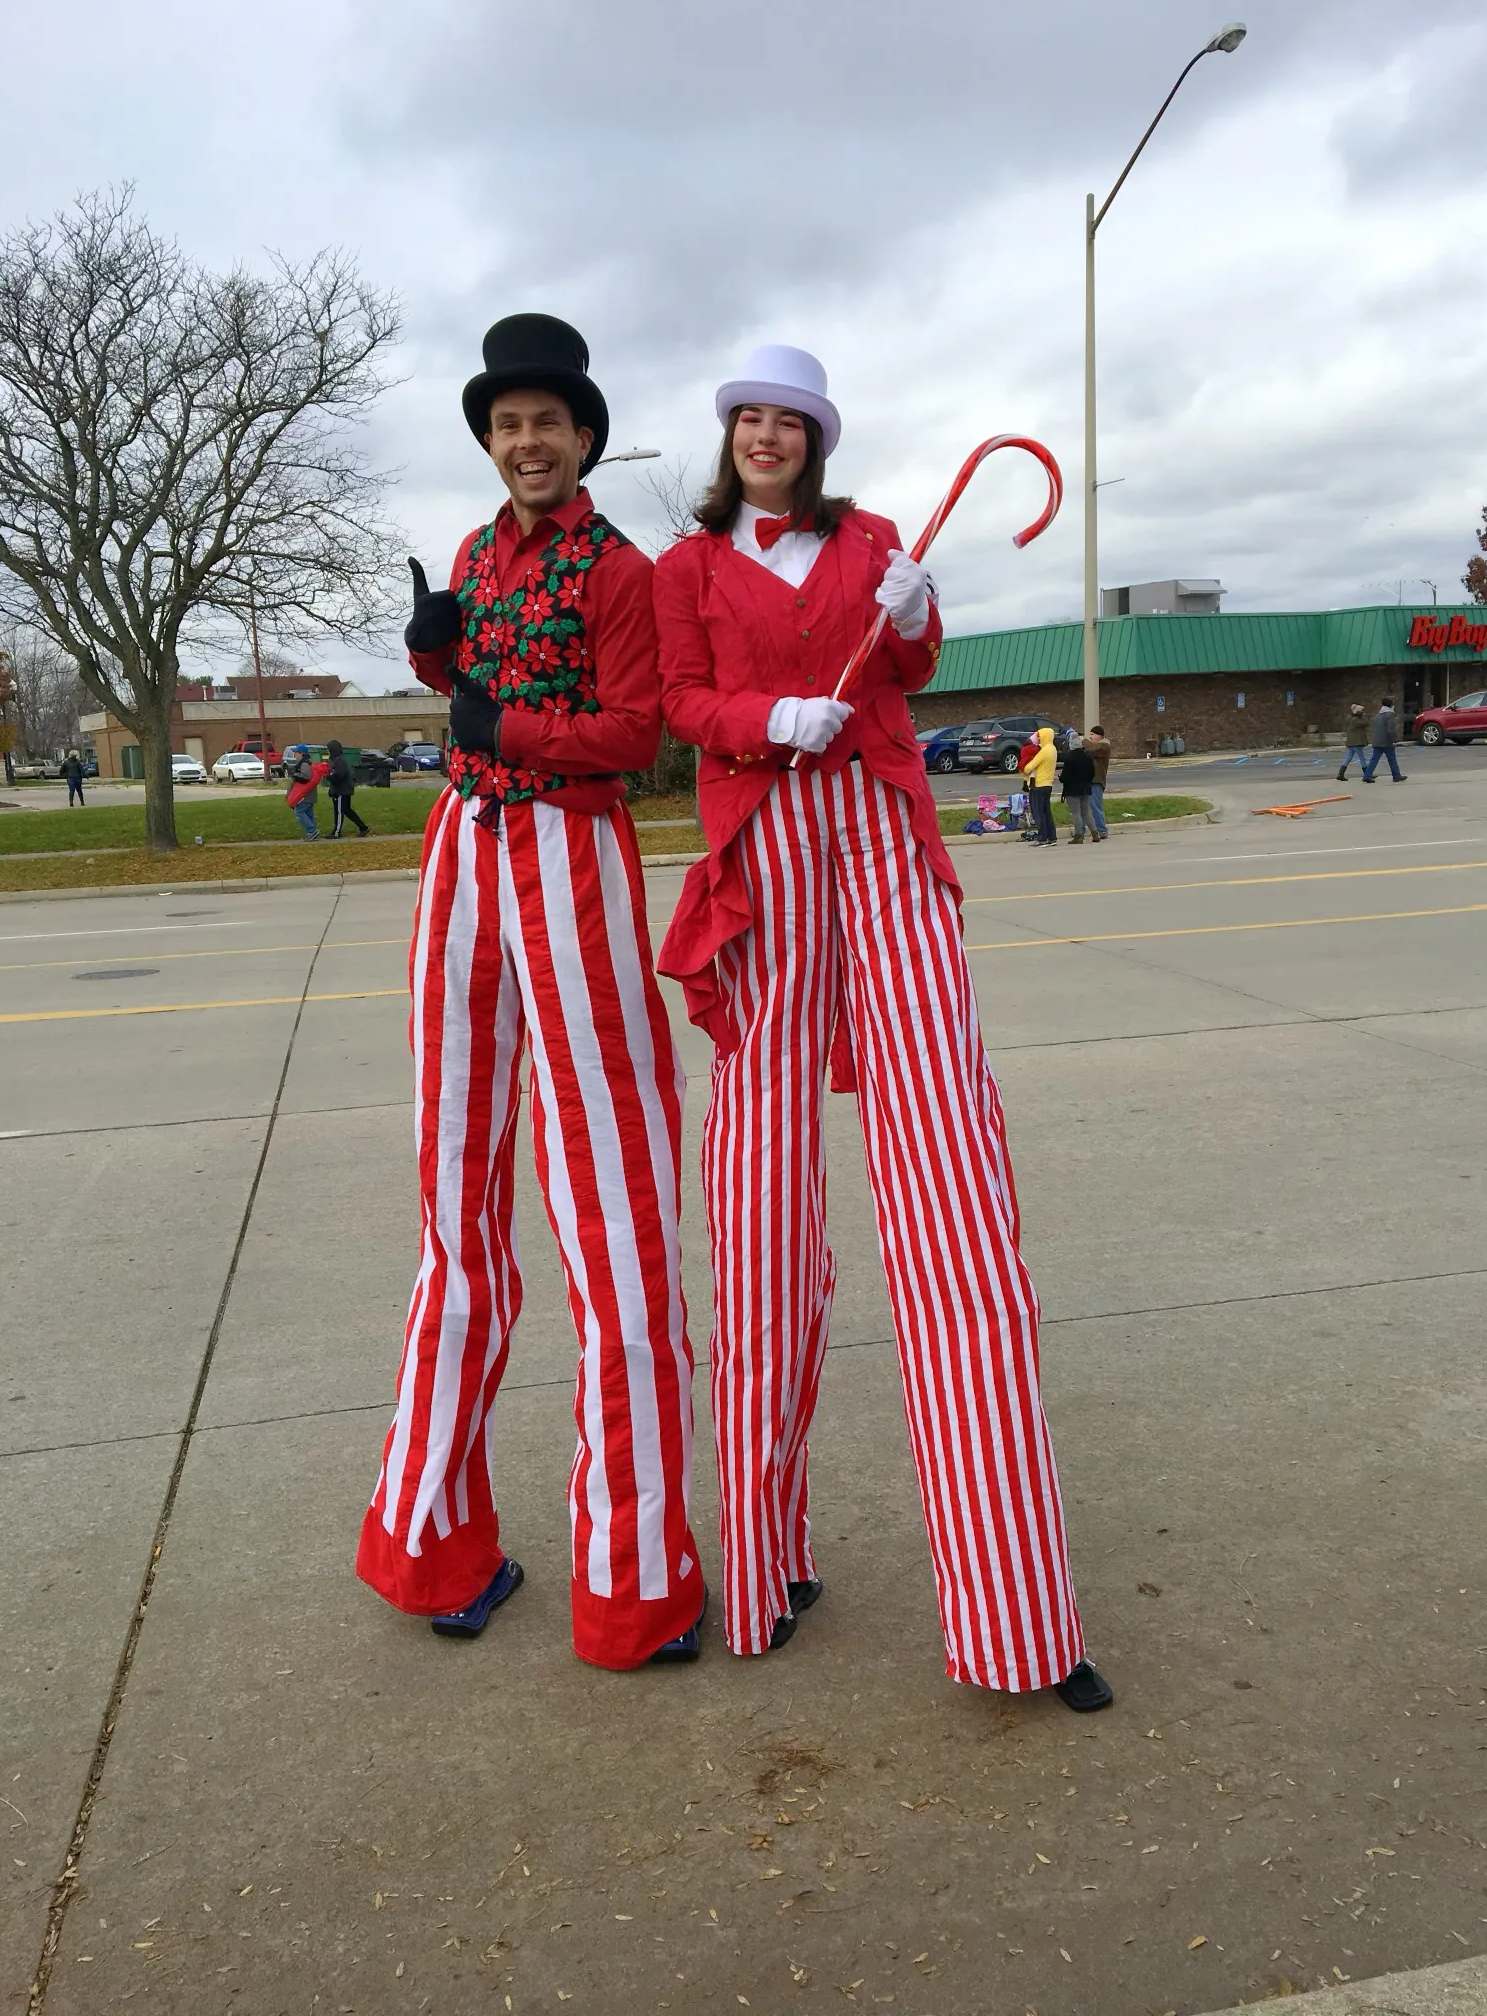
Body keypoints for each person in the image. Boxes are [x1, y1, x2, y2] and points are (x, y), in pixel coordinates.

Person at [653, 342, 1110, 1712]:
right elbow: (678, 702)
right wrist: (757, 715)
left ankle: (1024, 1618)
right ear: (728, 434)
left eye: (789, 421)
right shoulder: (686, 567)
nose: (768, 437)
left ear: (817, 437)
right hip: (764, 857)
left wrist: (914, 614)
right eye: (749, 418)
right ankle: (765, 1559)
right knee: (761, 1208)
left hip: (884, 844)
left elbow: (910, 664)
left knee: (953, 1198)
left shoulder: (874, 539)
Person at [355, 313, 705, 1671]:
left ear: (586, 437)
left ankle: (632, 1583)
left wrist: (508, 727)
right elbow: (462, 697)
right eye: (507, 425)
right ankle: (432, 1540)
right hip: (463, 851)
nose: (527, 442)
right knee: (455, 1202)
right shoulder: (472, 551)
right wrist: (439, 654)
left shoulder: (627, 571)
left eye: (548, 422)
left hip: (568, 852)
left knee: (614, 1211)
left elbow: (637, 732)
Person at [1021, 724, 1059, 844]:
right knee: (1046, 812)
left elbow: (1029, 767)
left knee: (1038, 813)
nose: (1038, 738)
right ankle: (1052, 837)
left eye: (1039, 736)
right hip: (1048, 784)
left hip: (1038, 785)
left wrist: (1023, 767)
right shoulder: (1053, 749)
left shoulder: (1044, 751)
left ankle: (1042, 837)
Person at [325, 739, 370, 837]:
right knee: (347, 810)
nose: (328, 752)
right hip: (343, 789)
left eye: (329, 750)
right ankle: (363, 827)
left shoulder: (339, 761)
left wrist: (329, 777)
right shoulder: (338, 760)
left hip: (341, 790)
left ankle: (336, 832)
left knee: (339, 811)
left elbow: (339, 775)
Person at [1059, 735, 1098, 843]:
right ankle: (1095, 833)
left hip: (1072, 790)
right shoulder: (1087, 757)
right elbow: (1092, 773)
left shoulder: (1069, 758)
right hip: (1085, 788)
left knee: (1076, 813)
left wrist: (1060, 778)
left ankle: (1079, 835)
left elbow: (1065, 777)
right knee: (1086, 812)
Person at [1361, 698, 1406, 783]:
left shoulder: (1378, 715)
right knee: (1392, 759)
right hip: (1387, 741)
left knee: (1374, 759)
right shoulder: (1390, 715)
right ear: (1391, 705)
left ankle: (1367, 775)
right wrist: (1394, 739)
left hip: (1377, 741)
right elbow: (1391, 729)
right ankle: (1396, 776)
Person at [1086, 725, 1111, 838]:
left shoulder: (1104, 746)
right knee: (1090, 806)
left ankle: (1102, 830)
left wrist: (1083, 740)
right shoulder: (1095, 746)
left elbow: (1093, 750)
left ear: (1100, 735)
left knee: (1096, 806)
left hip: (1097, 780)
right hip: (1090, 779)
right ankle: (1096, 829)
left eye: (1093, 734)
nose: (1091, 737)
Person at [1336, 703, 1370, 782]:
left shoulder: (1349, 718)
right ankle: (1367, 774)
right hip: (1357, 741)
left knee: (1348, 758)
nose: (1363, 712)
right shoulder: (1356, 720)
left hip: (1351, 741)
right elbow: (1366, 723)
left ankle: (1341, 774)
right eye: (1362, 711)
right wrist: (1364, 716)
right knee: (1362, 758)